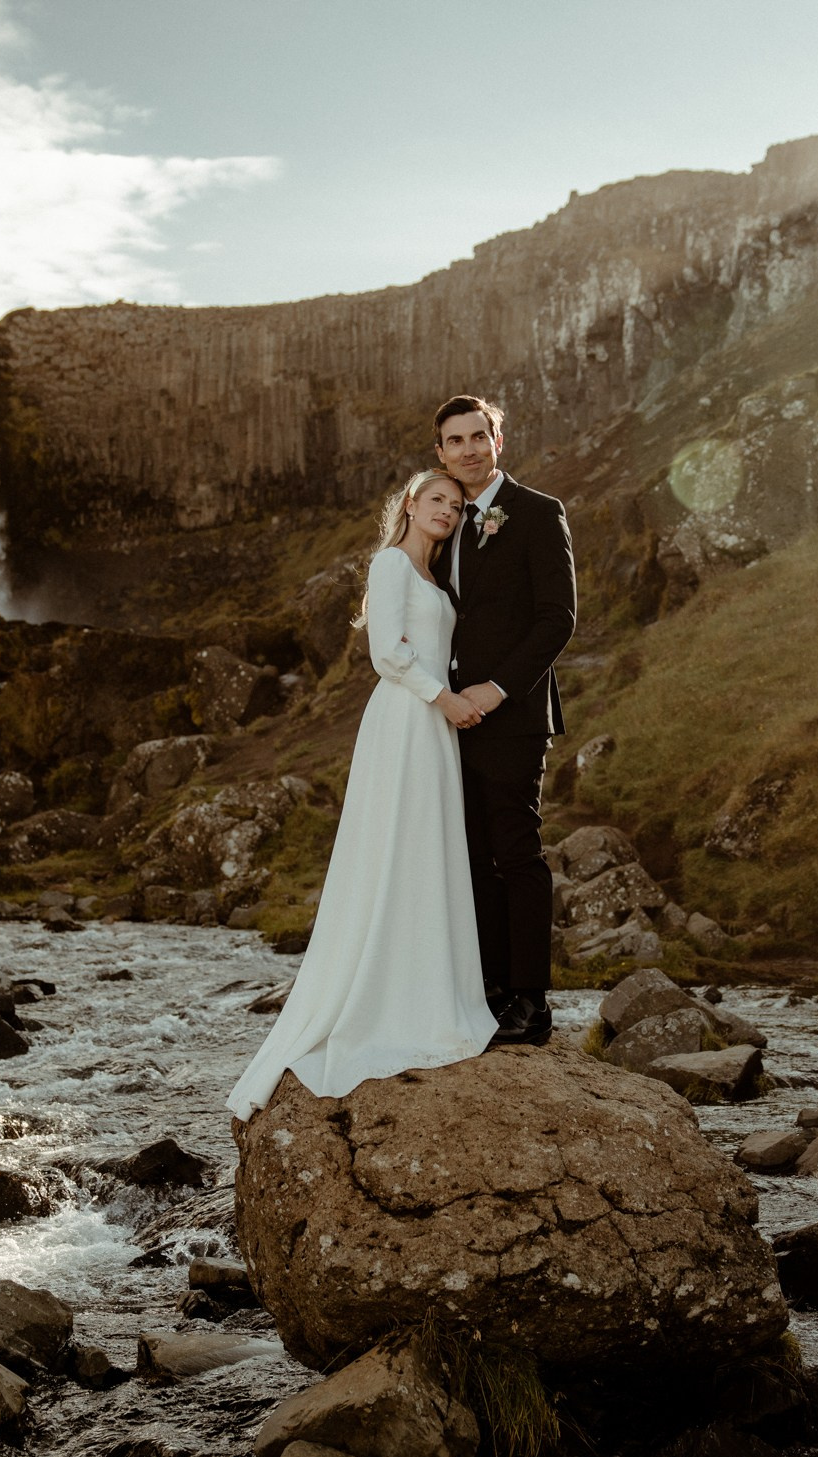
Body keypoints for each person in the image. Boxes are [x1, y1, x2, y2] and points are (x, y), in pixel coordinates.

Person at [227, 470, 497, 1120]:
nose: (447, 511)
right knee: (396, 846)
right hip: (408, 715)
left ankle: (428, 990)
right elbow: (387, 654)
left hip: (432, 720)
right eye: (437, 500)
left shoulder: (436, 579)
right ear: (410, 503)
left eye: (457, 507)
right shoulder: (389, 564)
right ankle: (381, 999)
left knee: (426, 850)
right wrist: (447, 699)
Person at [434, 394, 576, 1047]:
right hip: (446, 721)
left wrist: (493, 690)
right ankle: (489, 992)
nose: (467, 449)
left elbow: (557, 619)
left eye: (477, 437)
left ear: (498, 440)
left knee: (517, 851)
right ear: (440, 452)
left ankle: (532, 1002)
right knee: (468, 856)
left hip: (512, 713)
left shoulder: (539, 513)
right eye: (454, 440)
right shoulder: (440, 523)